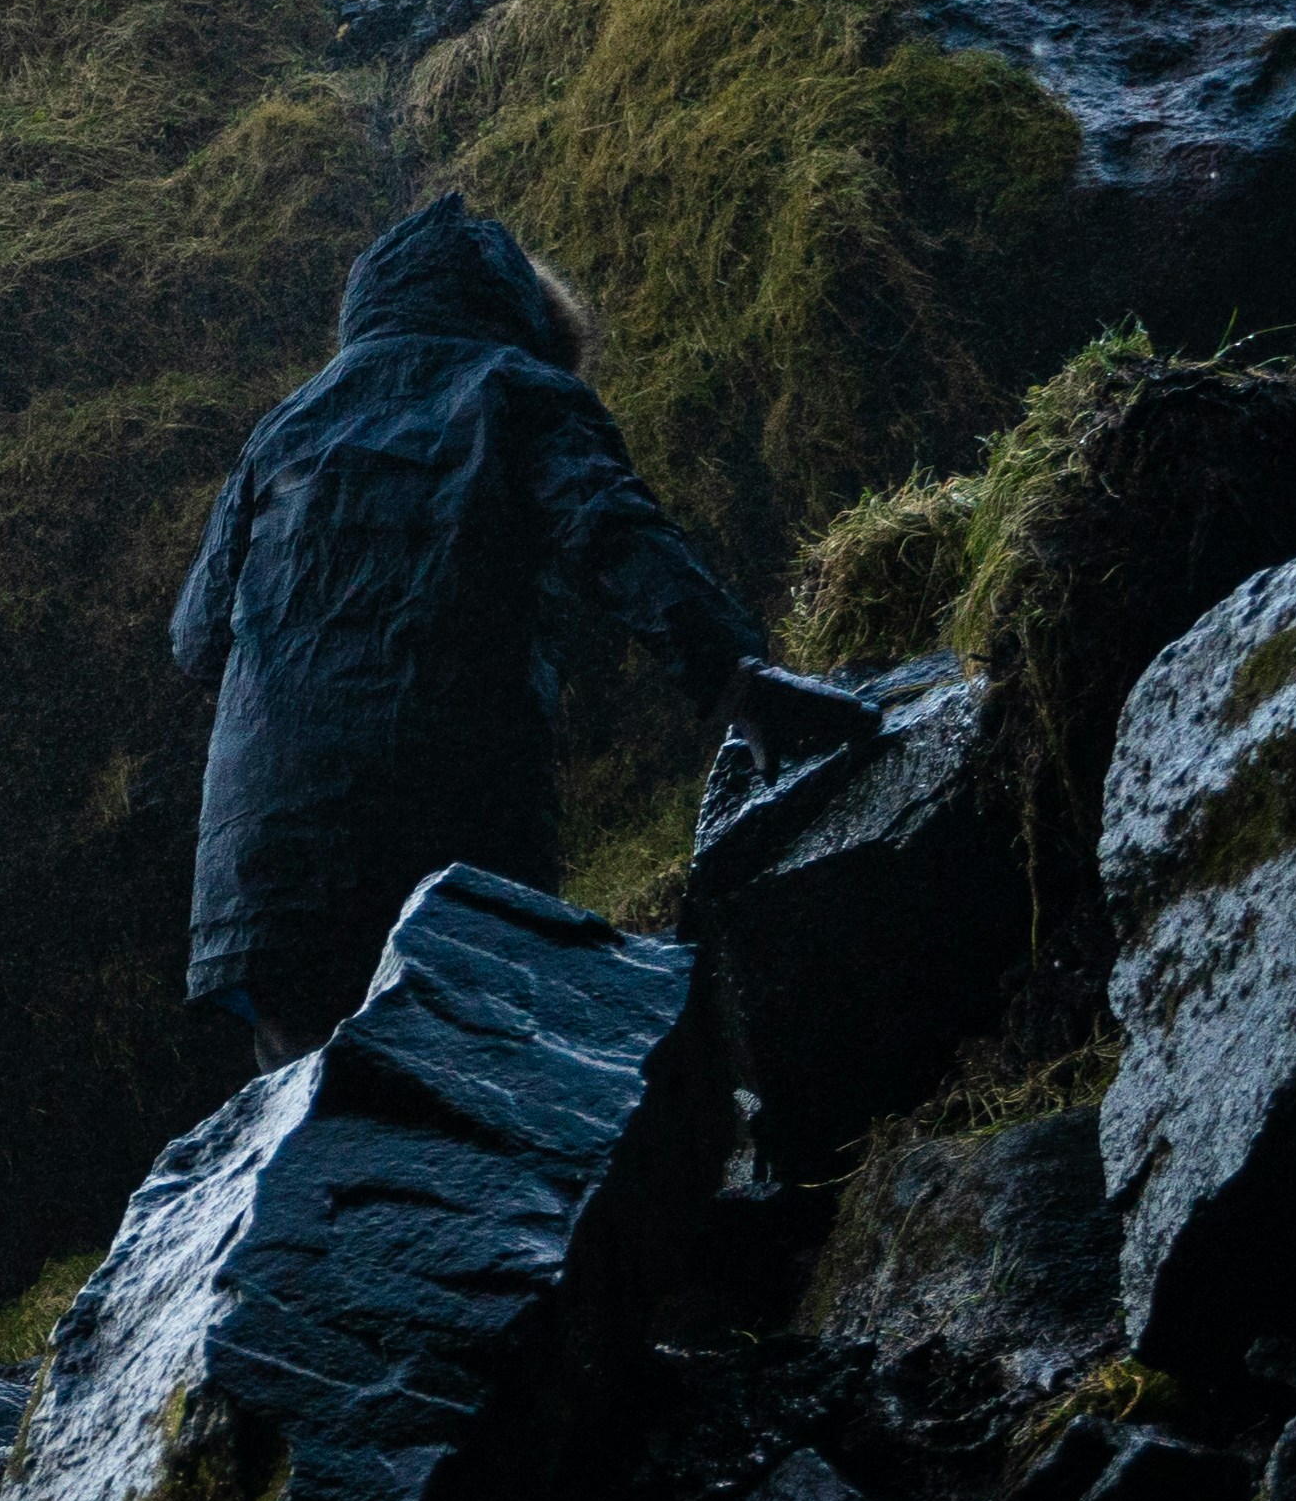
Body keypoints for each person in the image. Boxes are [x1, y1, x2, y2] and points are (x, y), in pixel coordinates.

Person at [173, 197, 856, 1063]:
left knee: (312, 1140)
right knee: (472, 1101)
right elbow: (613, 533)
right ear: (515, 313)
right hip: (446, 821)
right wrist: (736, 677)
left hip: (265, 878)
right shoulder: (516, 387)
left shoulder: (280, 432)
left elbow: (197, 640)